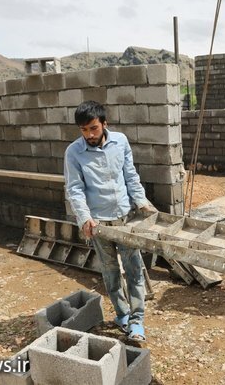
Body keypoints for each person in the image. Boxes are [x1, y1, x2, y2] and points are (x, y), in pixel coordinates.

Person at [64, 100, 155, 343]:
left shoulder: (120, 142)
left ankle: (137, 320)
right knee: (111, 272)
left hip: (125, 218)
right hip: (99, 223)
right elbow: (74, 189)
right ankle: (122, 315)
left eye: (93, 128)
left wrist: (142, 201)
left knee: (134, 268)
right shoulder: (74, 152)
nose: (89, 135)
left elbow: (131, 175)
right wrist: (84, 217)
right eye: (84, 130)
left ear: (105, 124)